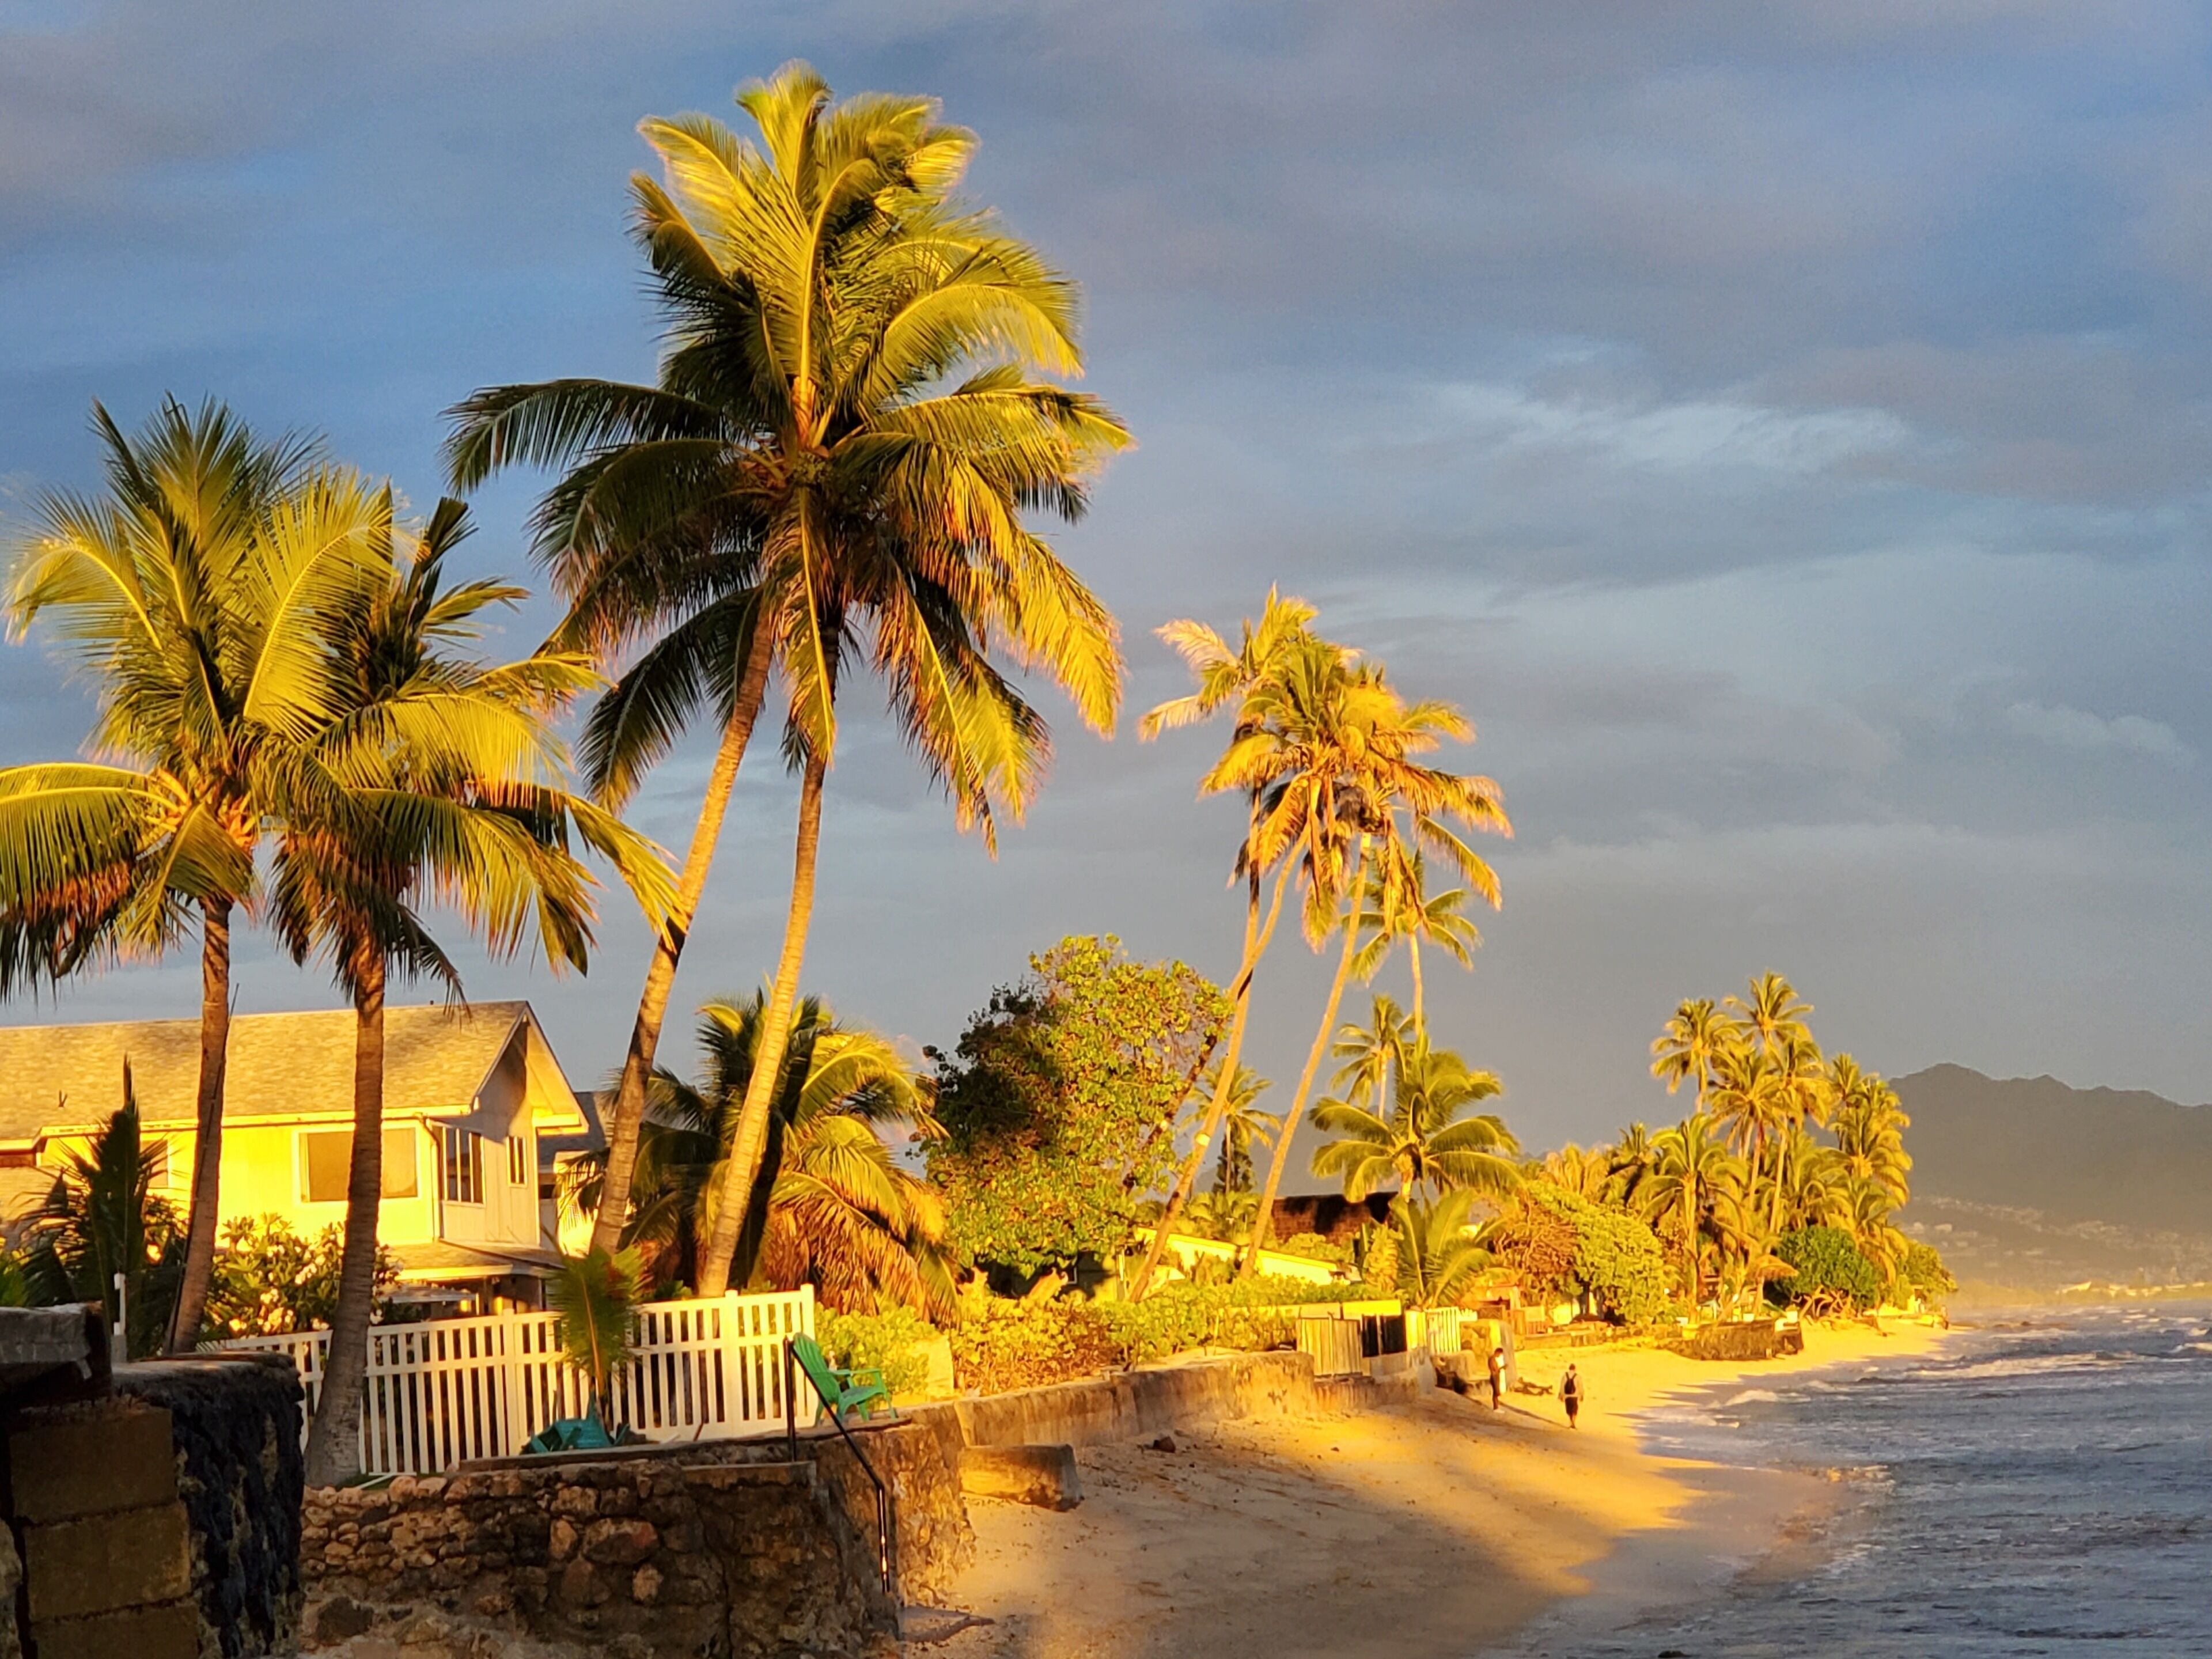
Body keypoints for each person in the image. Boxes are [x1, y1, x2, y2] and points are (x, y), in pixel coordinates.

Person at [1561, 1362, 1583, 1429]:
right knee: (1575, 1410)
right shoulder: (1578, 1376)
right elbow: (1580, 1386)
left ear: (1569, 1368)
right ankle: (1574, 1422)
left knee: (1569, 1410)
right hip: (1575, 1396)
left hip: (1567, 1396)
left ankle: (1571, 1422)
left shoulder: (1565, 1375)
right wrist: (1581, 1395)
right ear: (1575, 1369)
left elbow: (1562, 1386)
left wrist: (1561, 1395)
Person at [1487, 1344, 1507, 1411]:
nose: (1499, 1356)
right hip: (1494, 1376)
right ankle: (1496, 1408)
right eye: (1500, 1354)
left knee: (1497, 1393)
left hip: (1496, 1376)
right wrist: (1503, 1367)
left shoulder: (1493, 1359)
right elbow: (1495, 1369)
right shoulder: (1492, 1359)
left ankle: (1497, 1407)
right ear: (1497, 1352)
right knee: (1496, 1393)